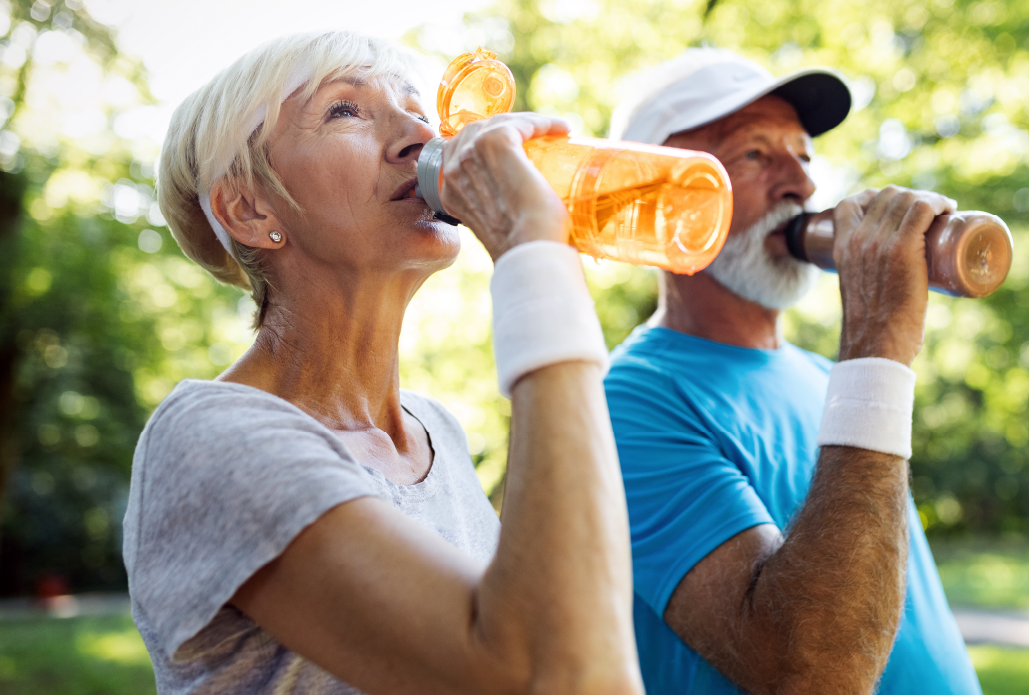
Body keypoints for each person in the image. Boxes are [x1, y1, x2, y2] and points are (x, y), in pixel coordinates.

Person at [124, 31, 642, 695]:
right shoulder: (210, 439)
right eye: (345, 111)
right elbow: (545, 669)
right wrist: (534, 255)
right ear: (251, 208)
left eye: (418, 110)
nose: (419, 136)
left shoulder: (437, 432)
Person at [602, 49, 982, 694]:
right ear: (656, 201)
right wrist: (878, 344)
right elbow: (810, 672)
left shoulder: (826, 377)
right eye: (755, 154)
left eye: (802, 156)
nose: (801, 186)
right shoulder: (627, 402)